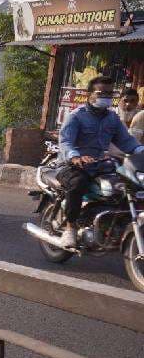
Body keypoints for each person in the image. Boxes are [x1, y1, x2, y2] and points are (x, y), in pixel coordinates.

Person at [58, 76, 144, 247]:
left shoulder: (112, 118)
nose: (106, 96)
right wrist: (75, 156)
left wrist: (140, 151)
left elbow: (126, 141)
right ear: (89, 94)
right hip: (71, 165)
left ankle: (108, 223)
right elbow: (65, 141)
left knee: (123, 187)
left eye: (110, 93)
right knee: (78, 184)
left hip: (98, 165)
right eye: (101, 93)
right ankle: (70, 228)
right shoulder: (77, 116)